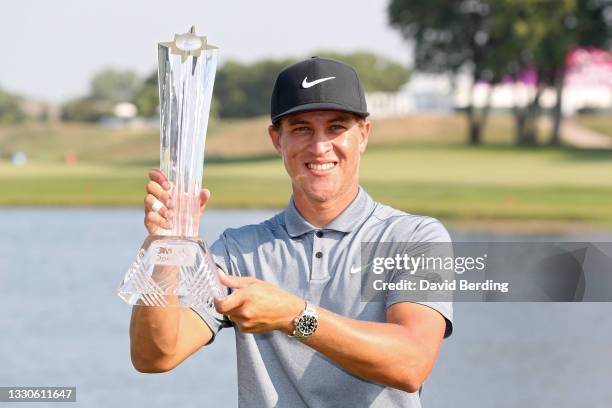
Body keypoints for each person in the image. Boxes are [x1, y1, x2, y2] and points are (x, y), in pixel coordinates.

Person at [130, 57, 453, 407]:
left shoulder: (414, 237)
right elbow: (155, 356)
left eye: (336, 127)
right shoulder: (238, 252)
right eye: (301, 128)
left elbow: (411, 363)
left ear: (364, 135)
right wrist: (165, 247)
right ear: (276, 139)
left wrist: (293, 315)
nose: (319, 147)